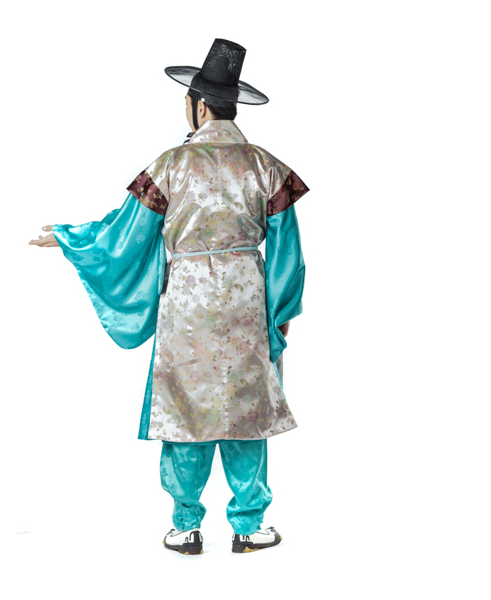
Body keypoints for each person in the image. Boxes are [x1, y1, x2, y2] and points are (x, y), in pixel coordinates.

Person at [29, 39, 309, 555]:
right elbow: (288, 252)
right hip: (247, 304)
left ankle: (186, 526)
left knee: (186, 405)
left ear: (199, 106)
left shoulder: (172, 165)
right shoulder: (267, 167)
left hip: (186, 305)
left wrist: (70, 238)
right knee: (246, 409)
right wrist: (281, 311)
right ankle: (249, 526)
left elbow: (124, 232)